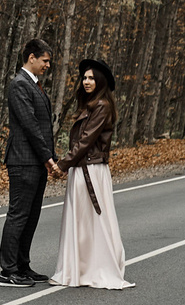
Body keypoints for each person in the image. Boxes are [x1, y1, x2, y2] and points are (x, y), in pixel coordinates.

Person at [53, 58, 133, 289]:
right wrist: (67, 164)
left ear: (100, 81)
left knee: (94, 219)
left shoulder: (102, 106)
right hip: (81, 168)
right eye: (84, 78)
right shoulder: (90, 104)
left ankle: (96, 268)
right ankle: (80, 269)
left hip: (91, 169)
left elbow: (86, 141)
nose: (86, 81)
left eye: (91, 78)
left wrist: (62, 164)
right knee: (81, 219)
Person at [0, 38, 59, 287]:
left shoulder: (35, 85)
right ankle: (8, 271)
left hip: (36, 162)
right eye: (45, 60)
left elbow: (43, 127)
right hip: (23, 161)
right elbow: (30, 126)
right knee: (19, 215)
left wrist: (49, 157)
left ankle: (23, 266)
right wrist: (48, 158)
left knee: (31, 216)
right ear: (31, 57)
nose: (48, 65)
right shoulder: (19, 84)